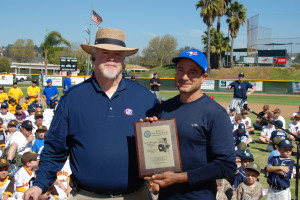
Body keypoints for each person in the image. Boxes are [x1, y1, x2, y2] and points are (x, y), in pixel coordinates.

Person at [24, 27, 158, 200]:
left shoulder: (145, 98)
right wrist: (40, 184)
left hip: (136, 195)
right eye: (104, 52)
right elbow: (55, 148)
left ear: (124, 59)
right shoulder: (73, 98)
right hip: (85, 195)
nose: (111, 58)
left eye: (117, 54)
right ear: (93, 56)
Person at [144, 49, 236, 199]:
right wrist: (149, 130)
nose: (185, 77)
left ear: (203, 77)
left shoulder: (215, 113)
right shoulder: (162, 108)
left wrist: (179, 177)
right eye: (180, 70)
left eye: (192, 72)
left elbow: (226, 165)